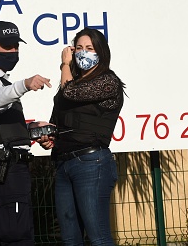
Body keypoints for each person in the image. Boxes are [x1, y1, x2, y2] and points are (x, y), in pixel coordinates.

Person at [38, 28, 125, 246]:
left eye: (89, 48)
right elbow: (58, 115)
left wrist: (64, 65)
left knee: (99, 237)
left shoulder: (108, 81)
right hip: (64, 164)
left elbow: (70, 93)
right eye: (78, 48)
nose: (82, 53)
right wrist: (50, 136)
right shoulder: (70, 83)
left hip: (91, 163)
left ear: (101, 52)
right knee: (70, 239)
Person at [0, 20, 51, 246]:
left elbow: (4, 129)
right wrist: (24, 84)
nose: (13, 51)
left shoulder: (0, 80)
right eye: (7, 46)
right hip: (5, 168)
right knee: (16, 237)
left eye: (16, 45)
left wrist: (30, 132)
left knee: (11, 235)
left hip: (13, 168)